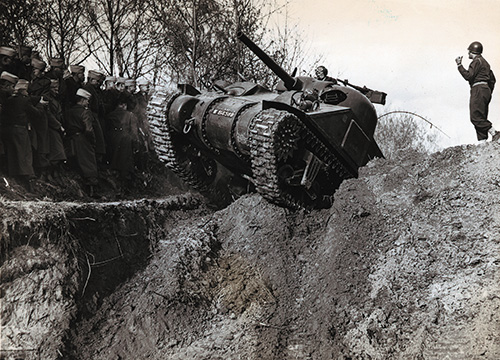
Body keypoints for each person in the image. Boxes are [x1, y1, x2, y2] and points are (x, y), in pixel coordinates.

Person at [456, 41, 498, 142]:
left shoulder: (476, 61)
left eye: (469, 52)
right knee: (481, 116)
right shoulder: (485, 63)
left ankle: (495, 133)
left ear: (472, 52)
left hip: (478, 89)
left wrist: (459, 65)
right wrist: (487, 91)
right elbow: (493, 80)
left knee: (475, 117)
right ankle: (482, 142)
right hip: (485, 90)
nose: (468, 54)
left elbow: (468, 76)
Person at [2, 79, 40, 191]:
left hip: (9, 129)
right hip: (21, 130)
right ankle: (29, 180)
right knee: (25, 153)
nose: (28, 93)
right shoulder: (25, 101)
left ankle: (15, 175)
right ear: (23, 91)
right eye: (26, 91)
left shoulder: (9, 100)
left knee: (14, 152)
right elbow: (36, 113)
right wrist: (41, 106)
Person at [65, 88, 98, 194]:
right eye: (87, 100)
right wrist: (92, 141)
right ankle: (91, 191)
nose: (88, 102)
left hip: (70, 139)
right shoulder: (85, 112)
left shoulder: (68, 111)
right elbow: (89, 129)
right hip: (83, 139)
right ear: (83, 100)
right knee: (89, 163)